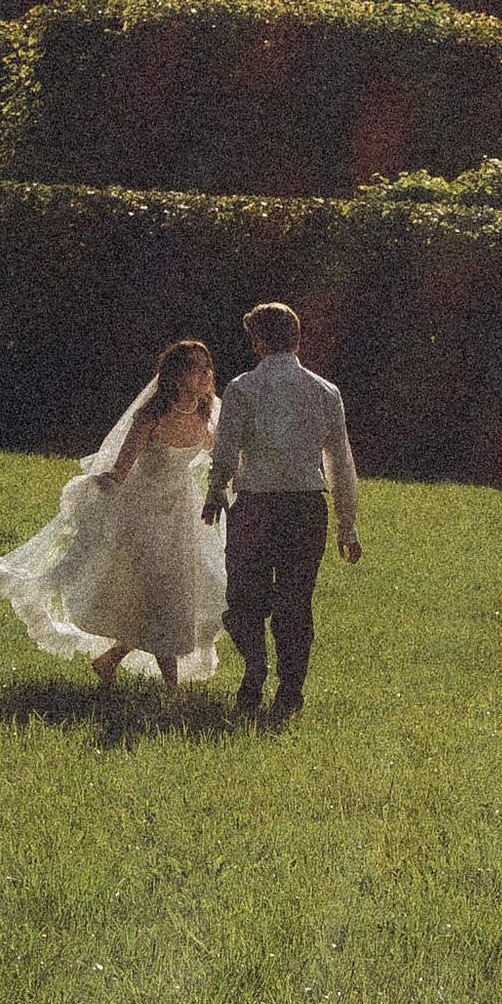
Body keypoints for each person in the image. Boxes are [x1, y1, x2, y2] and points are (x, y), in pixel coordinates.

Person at [0, 339, 224, 691]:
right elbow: (121, 469)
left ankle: (109, 660)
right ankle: (171, 690)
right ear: (176, 375)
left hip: (182, 512)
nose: (205, 373)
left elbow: (216, 450)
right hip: (143, 513)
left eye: (207, 366)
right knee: (160, 596)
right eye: (196, 367)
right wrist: (91, 489)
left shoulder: (205, 411)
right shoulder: (150, 415)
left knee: (175, 597)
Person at [201, 301, 361, 716]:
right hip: (307, 507)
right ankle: (290, 691)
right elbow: (340, 462)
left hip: (256, 504)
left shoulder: (242, 388)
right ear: (297, 340)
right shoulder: (325, 392)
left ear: (258, 343)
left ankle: (255, 667)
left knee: (243, 598)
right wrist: (347, 524)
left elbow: (225, 451)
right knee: (296, 603)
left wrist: (216, 491)